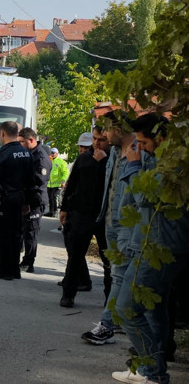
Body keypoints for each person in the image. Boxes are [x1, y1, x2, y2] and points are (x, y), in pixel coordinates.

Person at [113, 114, 187, 384]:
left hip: (160, 246)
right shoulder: (161, 159)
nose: (140, 147)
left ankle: (152, 372)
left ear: (162, 138)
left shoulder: (174, 165)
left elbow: (145, 197)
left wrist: (133, 165)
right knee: (154, 311)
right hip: (155, 243)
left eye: (144, 142)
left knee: (127, 309)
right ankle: (152, 371)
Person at [81, 111, 136, 345]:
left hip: (128, 224)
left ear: (119, 128)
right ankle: (117, 320)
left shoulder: (138, 152)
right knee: (118, 274)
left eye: (107, 129)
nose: (103, 134)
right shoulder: (113, 152)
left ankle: (107, 324)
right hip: (110, 221)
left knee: (119, 274)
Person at [59, 127, 111, 308]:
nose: (97, 143)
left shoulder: (113, 161)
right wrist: (64, 208)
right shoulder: (83, 159)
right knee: (75, 256)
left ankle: (109, 301)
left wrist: (104, 162)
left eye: (101, 140)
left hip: (104, 216)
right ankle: (68, 294)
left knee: (108, 261)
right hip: (81, 214)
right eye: (95, 139)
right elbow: (71, 185)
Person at [0, 121, 35, 280]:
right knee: (16, 235)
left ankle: (5, 270)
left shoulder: (3, 154)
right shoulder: (26, 153)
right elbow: (31, 181)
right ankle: (14, 269)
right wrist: (27, 202)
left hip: (4, 199)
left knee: (2, 235)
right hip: (19, 198)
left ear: (2, 133)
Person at [17, 127, 51, 273]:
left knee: (31, 233)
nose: (20, 145)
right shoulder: (29, 153)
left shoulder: (41, 157)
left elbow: (37, 182)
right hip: (26, 199)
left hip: (35, 201)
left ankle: (28, 262)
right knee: (22, 231)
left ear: (31, 140)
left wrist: (27, 202)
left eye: (22, 142)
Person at [46, 148, 69, 217]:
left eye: (53, 153)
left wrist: (63, 181)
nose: (52, 154)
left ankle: (55, 211)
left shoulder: (61, 162)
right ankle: (51, 211)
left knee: (54, 197)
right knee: (50, 198)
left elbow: (66, 172)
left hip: (57, 184)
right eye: (51, 153)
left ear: (57, 153)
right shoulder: (49, 161)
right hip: (49, 184)